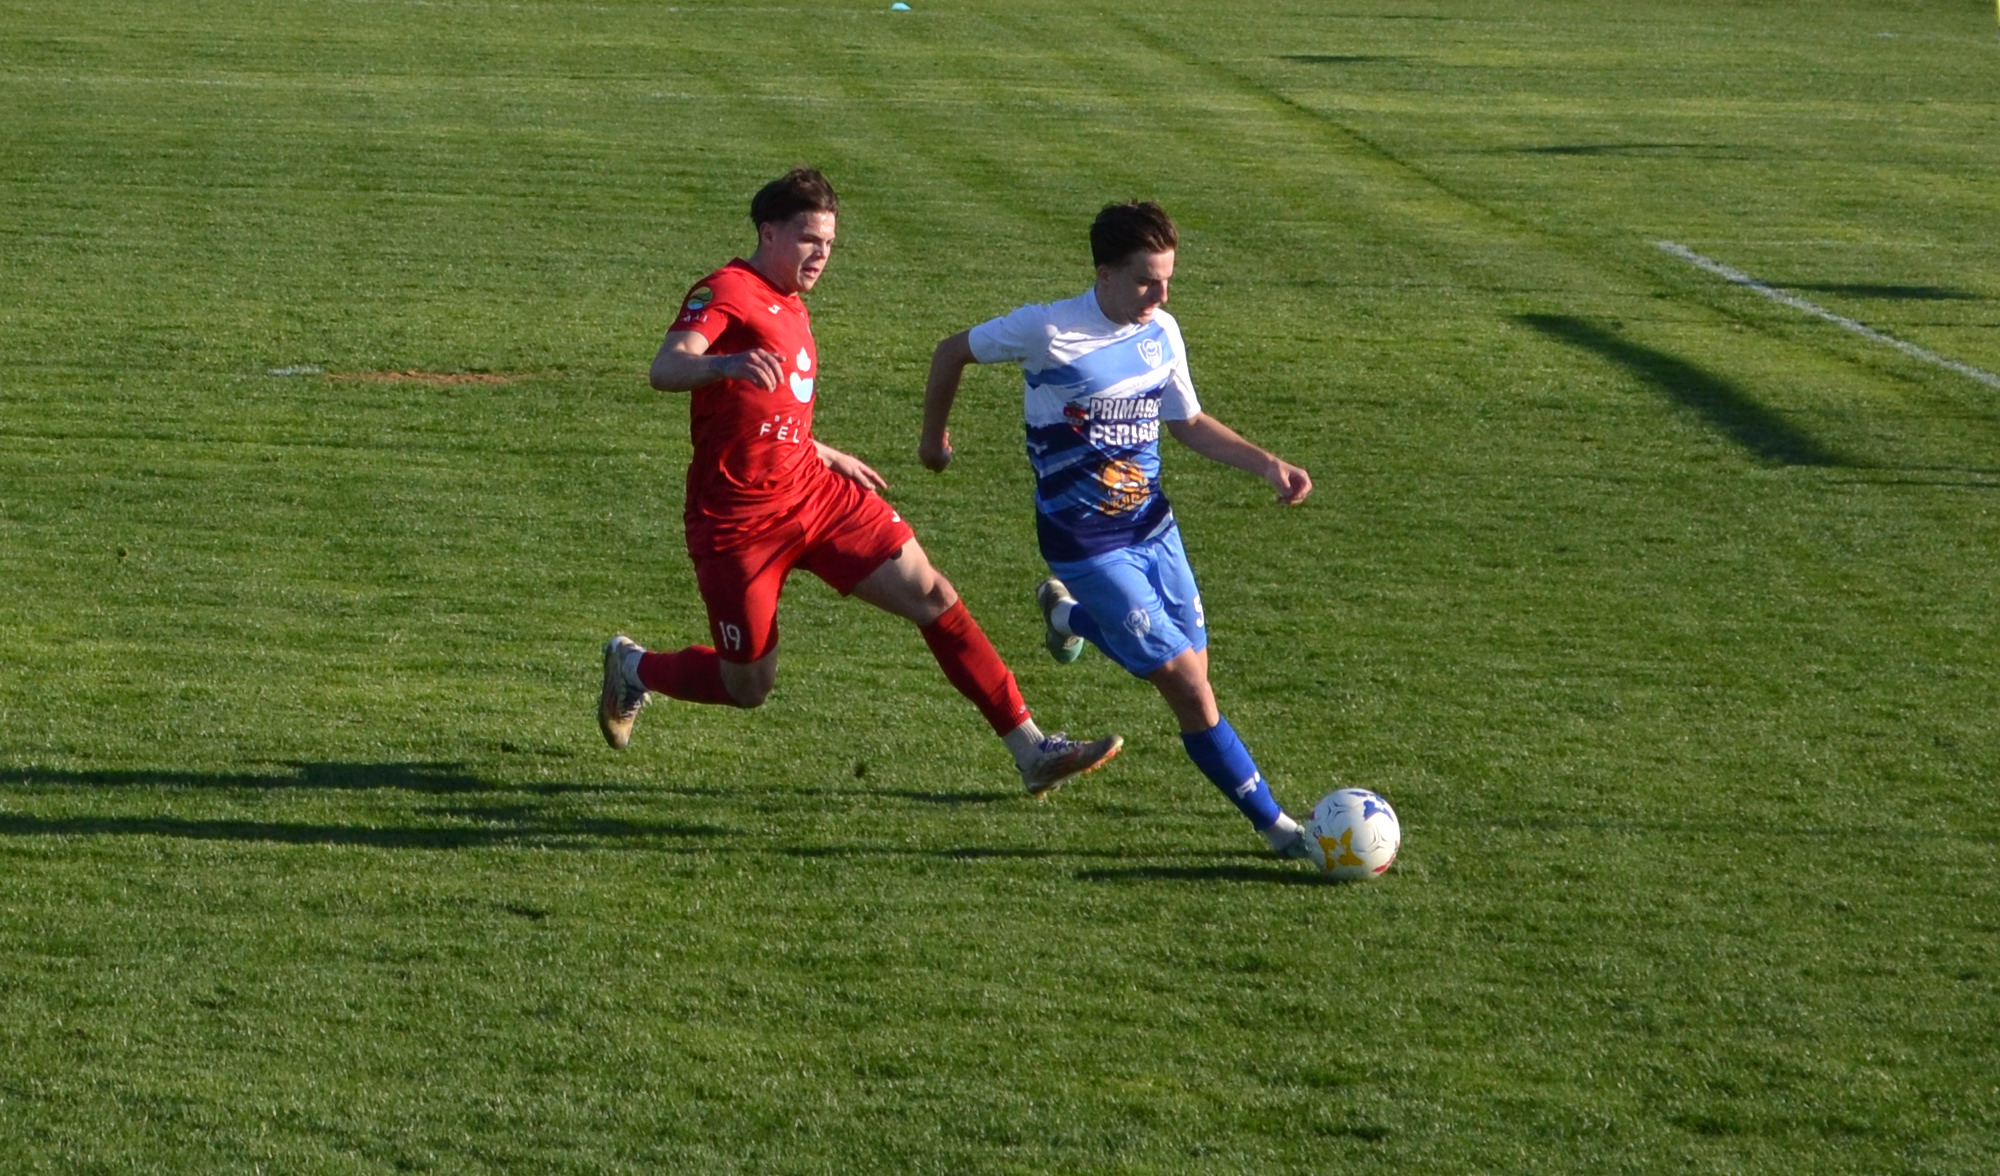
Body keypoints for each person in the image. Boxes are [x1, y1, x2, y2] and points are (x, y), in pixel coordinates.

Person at [598, 168, 1121, 796]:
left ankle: (1031, 750)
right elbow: (666, 367)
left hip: (813, 492)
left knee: (932, 594)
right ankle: (634, 667)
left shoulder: (791, 302)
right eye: (808, 239)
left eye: (829, 243)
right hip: (738, 522)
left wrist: (819, 450)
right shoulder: (728, 290)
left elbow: (763, 406)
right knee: (749, 685)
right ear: (768, 233)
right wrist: (726, 361)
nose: (820, 254)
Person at [918, 200, 1317, 859]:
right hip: (1085, 543)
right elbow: (951, 351)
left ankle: (1066, 618)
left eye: (1167, 281)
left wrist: (1266, 464)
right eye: (1145, 282)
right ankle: (1279, 829)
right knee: (1188, 687)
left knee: (1195, 672)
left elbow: (1187, 422)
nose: (1160, 296)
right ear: (1103, 274)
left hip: (1154, 529)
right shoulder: (1047, 330)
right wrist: (933, 442)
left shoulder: (1162, 332)